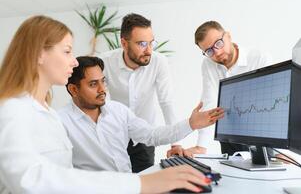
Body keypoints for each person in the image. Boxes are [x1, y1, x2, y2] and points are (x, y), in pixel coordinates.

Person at [0, 15, 217, 193]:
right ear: (39, 54)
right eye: (67, 51)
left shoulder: (47, 113)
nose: (74, 61)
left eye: (103, 81)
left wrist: (190, 124)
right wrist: (141, 183)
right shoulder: (14, 110)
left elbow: (154, 131)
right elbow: (29, 180)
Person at [58, 56, 224, 173]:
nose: (102, 89)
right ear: (73, 89)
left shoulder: (118, 111)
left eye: (103, 81)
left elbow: (151, 135)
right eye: (93, 84)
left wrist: (191, 123)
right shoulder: (60, 122)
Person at [167, 20, 273, 157]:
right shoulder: (208, 64)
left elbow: (269, 103)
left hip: (259, 136)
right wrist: (201, 146)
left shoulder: (259, 58)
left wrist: (278, 150)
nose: (216, 52)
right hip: (228, 136)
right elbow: (209, 101)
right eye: (209, 51)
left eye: (218, 43)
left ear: (228, 36)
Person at [99, 13, 178, 172]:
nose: (149, 50)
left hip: (145, 138)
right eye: (142, 44)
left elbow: (166, 101)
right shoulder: (104, 62)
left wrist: (175, 143)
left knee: (145, 184)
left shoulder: (158, 61)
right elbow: (101, 102)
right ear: (124, 43)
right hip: (114, 137)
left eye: (151, 43)